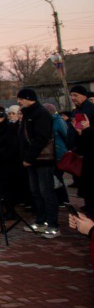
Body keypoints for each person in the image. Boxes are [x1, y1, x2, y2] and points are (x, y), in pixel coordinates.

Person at [18, 88, 60, 238]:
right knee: (35, 191)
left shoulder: (41, 114)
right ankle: (40, 221)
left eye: (21, 98)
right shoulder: (28, 114)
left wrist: (29, 157)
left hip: (42, 160)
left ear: (29, 98)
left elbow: (41, 138)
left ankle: (53, 224)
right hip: (31, 160)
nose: (19, 101)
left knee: (46, 191)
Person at [70, 85, 94, 214]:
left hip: (90, 152)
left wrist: (85, 131)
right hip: (83, 151)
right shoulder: (78, 110)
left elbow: (88, 132)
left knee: (89, 184)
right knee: (85, 183)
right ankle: (88, 206)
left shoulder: (89, 110)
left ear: (84, 95)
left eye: (76, 95)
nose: (73, 98)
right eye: (72, 95)